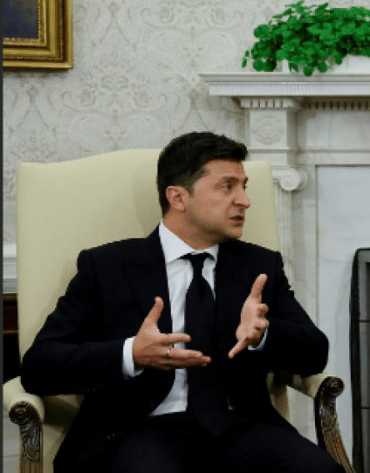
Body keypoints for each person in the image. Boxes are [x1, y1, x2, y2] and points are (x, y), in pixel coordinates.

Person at [20, 132, 344, 473]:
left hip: (242, 427)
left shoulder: (259, 266)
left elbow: (315, 352)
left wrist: (264, 336)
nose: (245, 200)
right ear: (177, 197)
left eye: (244, 187)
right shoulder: (107, 267)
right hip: (139, 429)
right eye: (227, 187)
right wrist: (131, 354)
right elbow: (39, 365)